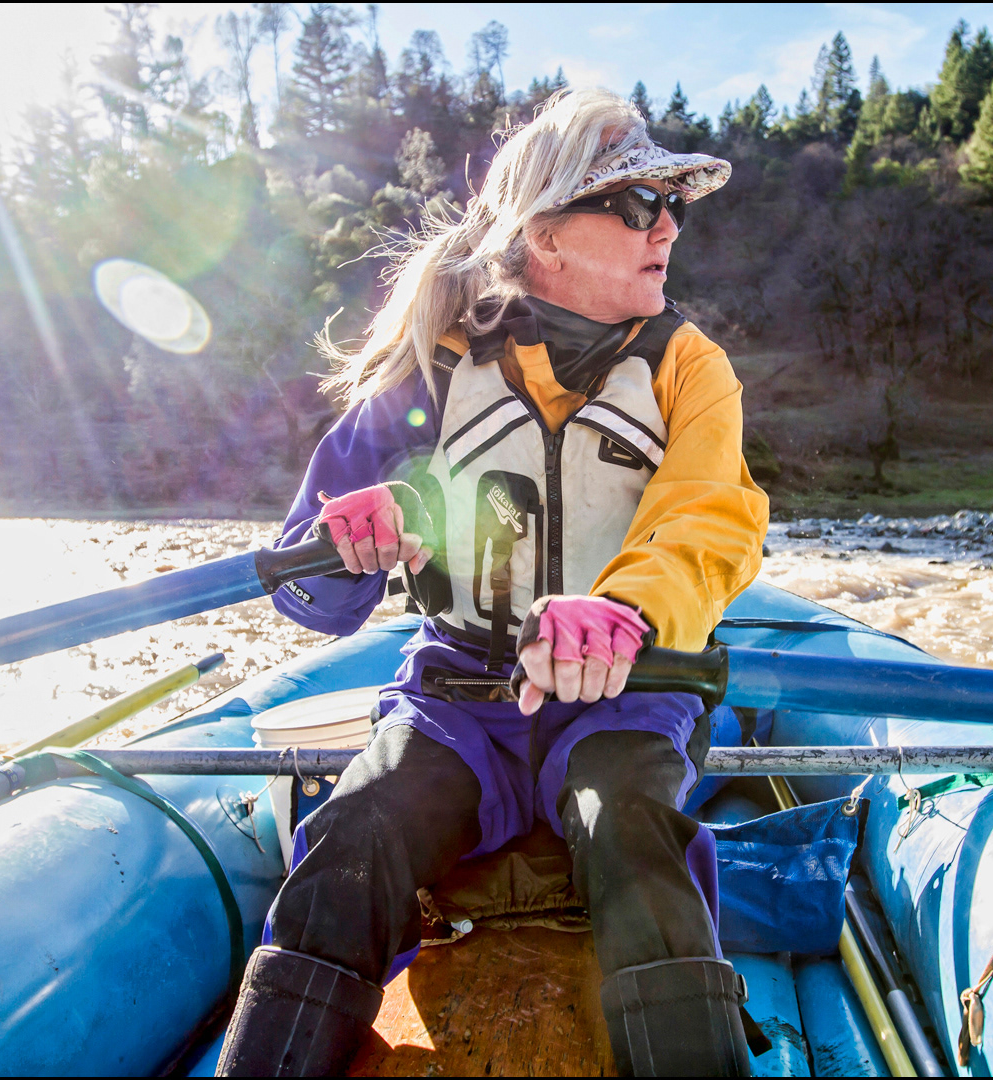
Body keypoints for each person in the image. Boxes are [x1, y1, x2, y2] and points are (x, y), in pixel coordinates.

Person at [217, 88, 768, 1077]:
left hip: (625, 700)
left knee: (633, 830)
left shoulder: (691, 367)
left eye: (673, 203)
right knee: (349, 840)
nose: (671, 225)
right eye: (642, 203)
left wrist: (624, 611)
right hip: (454, 706)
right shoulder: (434, 368)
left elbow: (708, 521)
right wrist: (343, 540)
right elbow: (314, 596)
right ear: (548, 234)